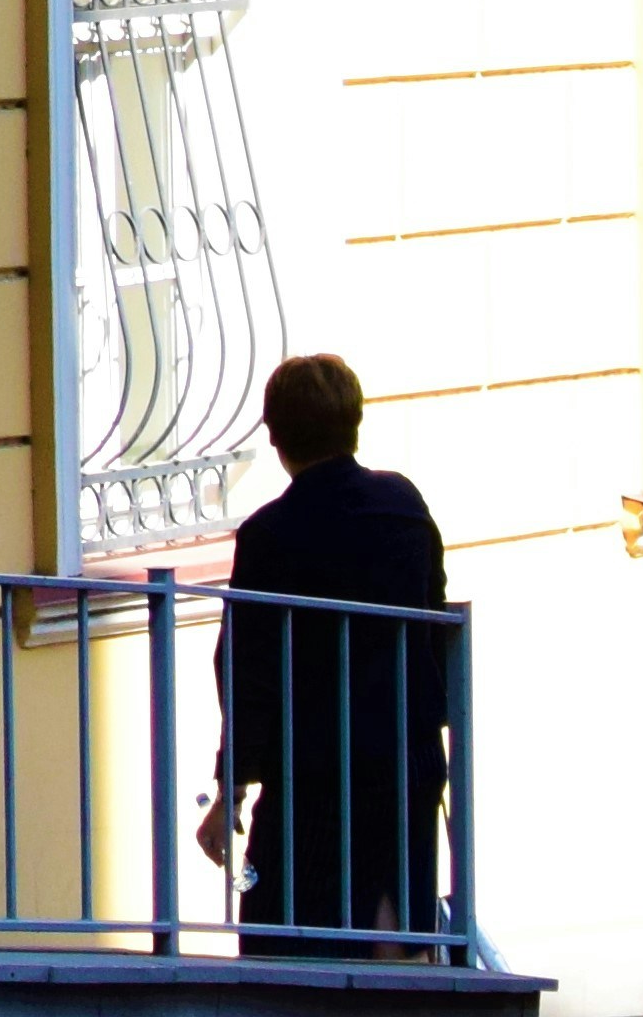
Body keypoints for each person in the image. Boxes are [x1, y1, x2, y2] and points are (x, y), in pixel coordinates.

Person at [196, 353, 454, 958]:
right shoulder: (403, 507)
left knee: (288, 943)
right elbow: (435, 623)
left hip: (313, 773)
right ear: (353, 423)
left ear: (276, 436)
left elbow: (248, 668)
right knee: (397, 936)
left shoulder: (270, 535)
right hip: (403, 760)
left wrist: (230, 790)